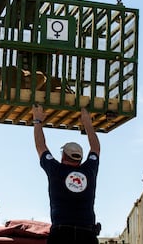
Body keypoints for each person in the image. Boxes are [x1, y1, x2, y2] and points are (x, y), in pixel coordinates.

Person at [32, 104, 101, 244]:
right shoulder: (89, 171)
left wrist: (38, 121)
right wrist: (87, 123)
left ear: (63, 156)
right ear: (81, 159)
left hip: (61, 233)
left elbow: (41, 146)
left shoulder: (56, 170)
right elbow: (96, 148)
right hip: (86, 234)